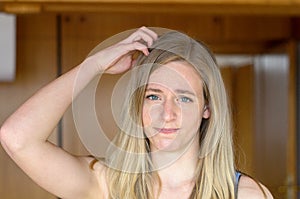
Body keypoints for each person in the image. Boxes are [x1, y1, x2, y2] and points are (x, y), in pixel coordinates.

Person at [0, 26, 273, 199]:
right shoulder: (106, 185)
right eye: (154, 96)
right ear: (138, 106)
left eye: (184, 98)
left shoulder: (243, 194)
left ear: (207, 108)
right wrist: (93, 65)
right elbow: (16, 138)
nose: (167, 113)